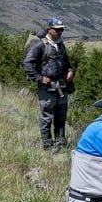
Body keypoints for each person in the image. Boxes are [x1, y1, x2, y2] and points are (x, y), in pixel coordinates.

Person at [22, 17, 75, 150]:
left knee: (61, 117)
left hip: (62, 86)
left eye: (61, 30)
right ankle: (47, 146)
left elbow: (67, 63)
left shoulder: (61, 45)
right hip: (47, 87)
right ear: (49, 29)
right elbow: (27, 63)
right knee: (47, 118)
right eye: (57, 30)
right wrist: (39, 78)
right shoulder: (40, 44)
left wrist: (70, 71)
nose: (60, 32)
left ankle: (60, 145)